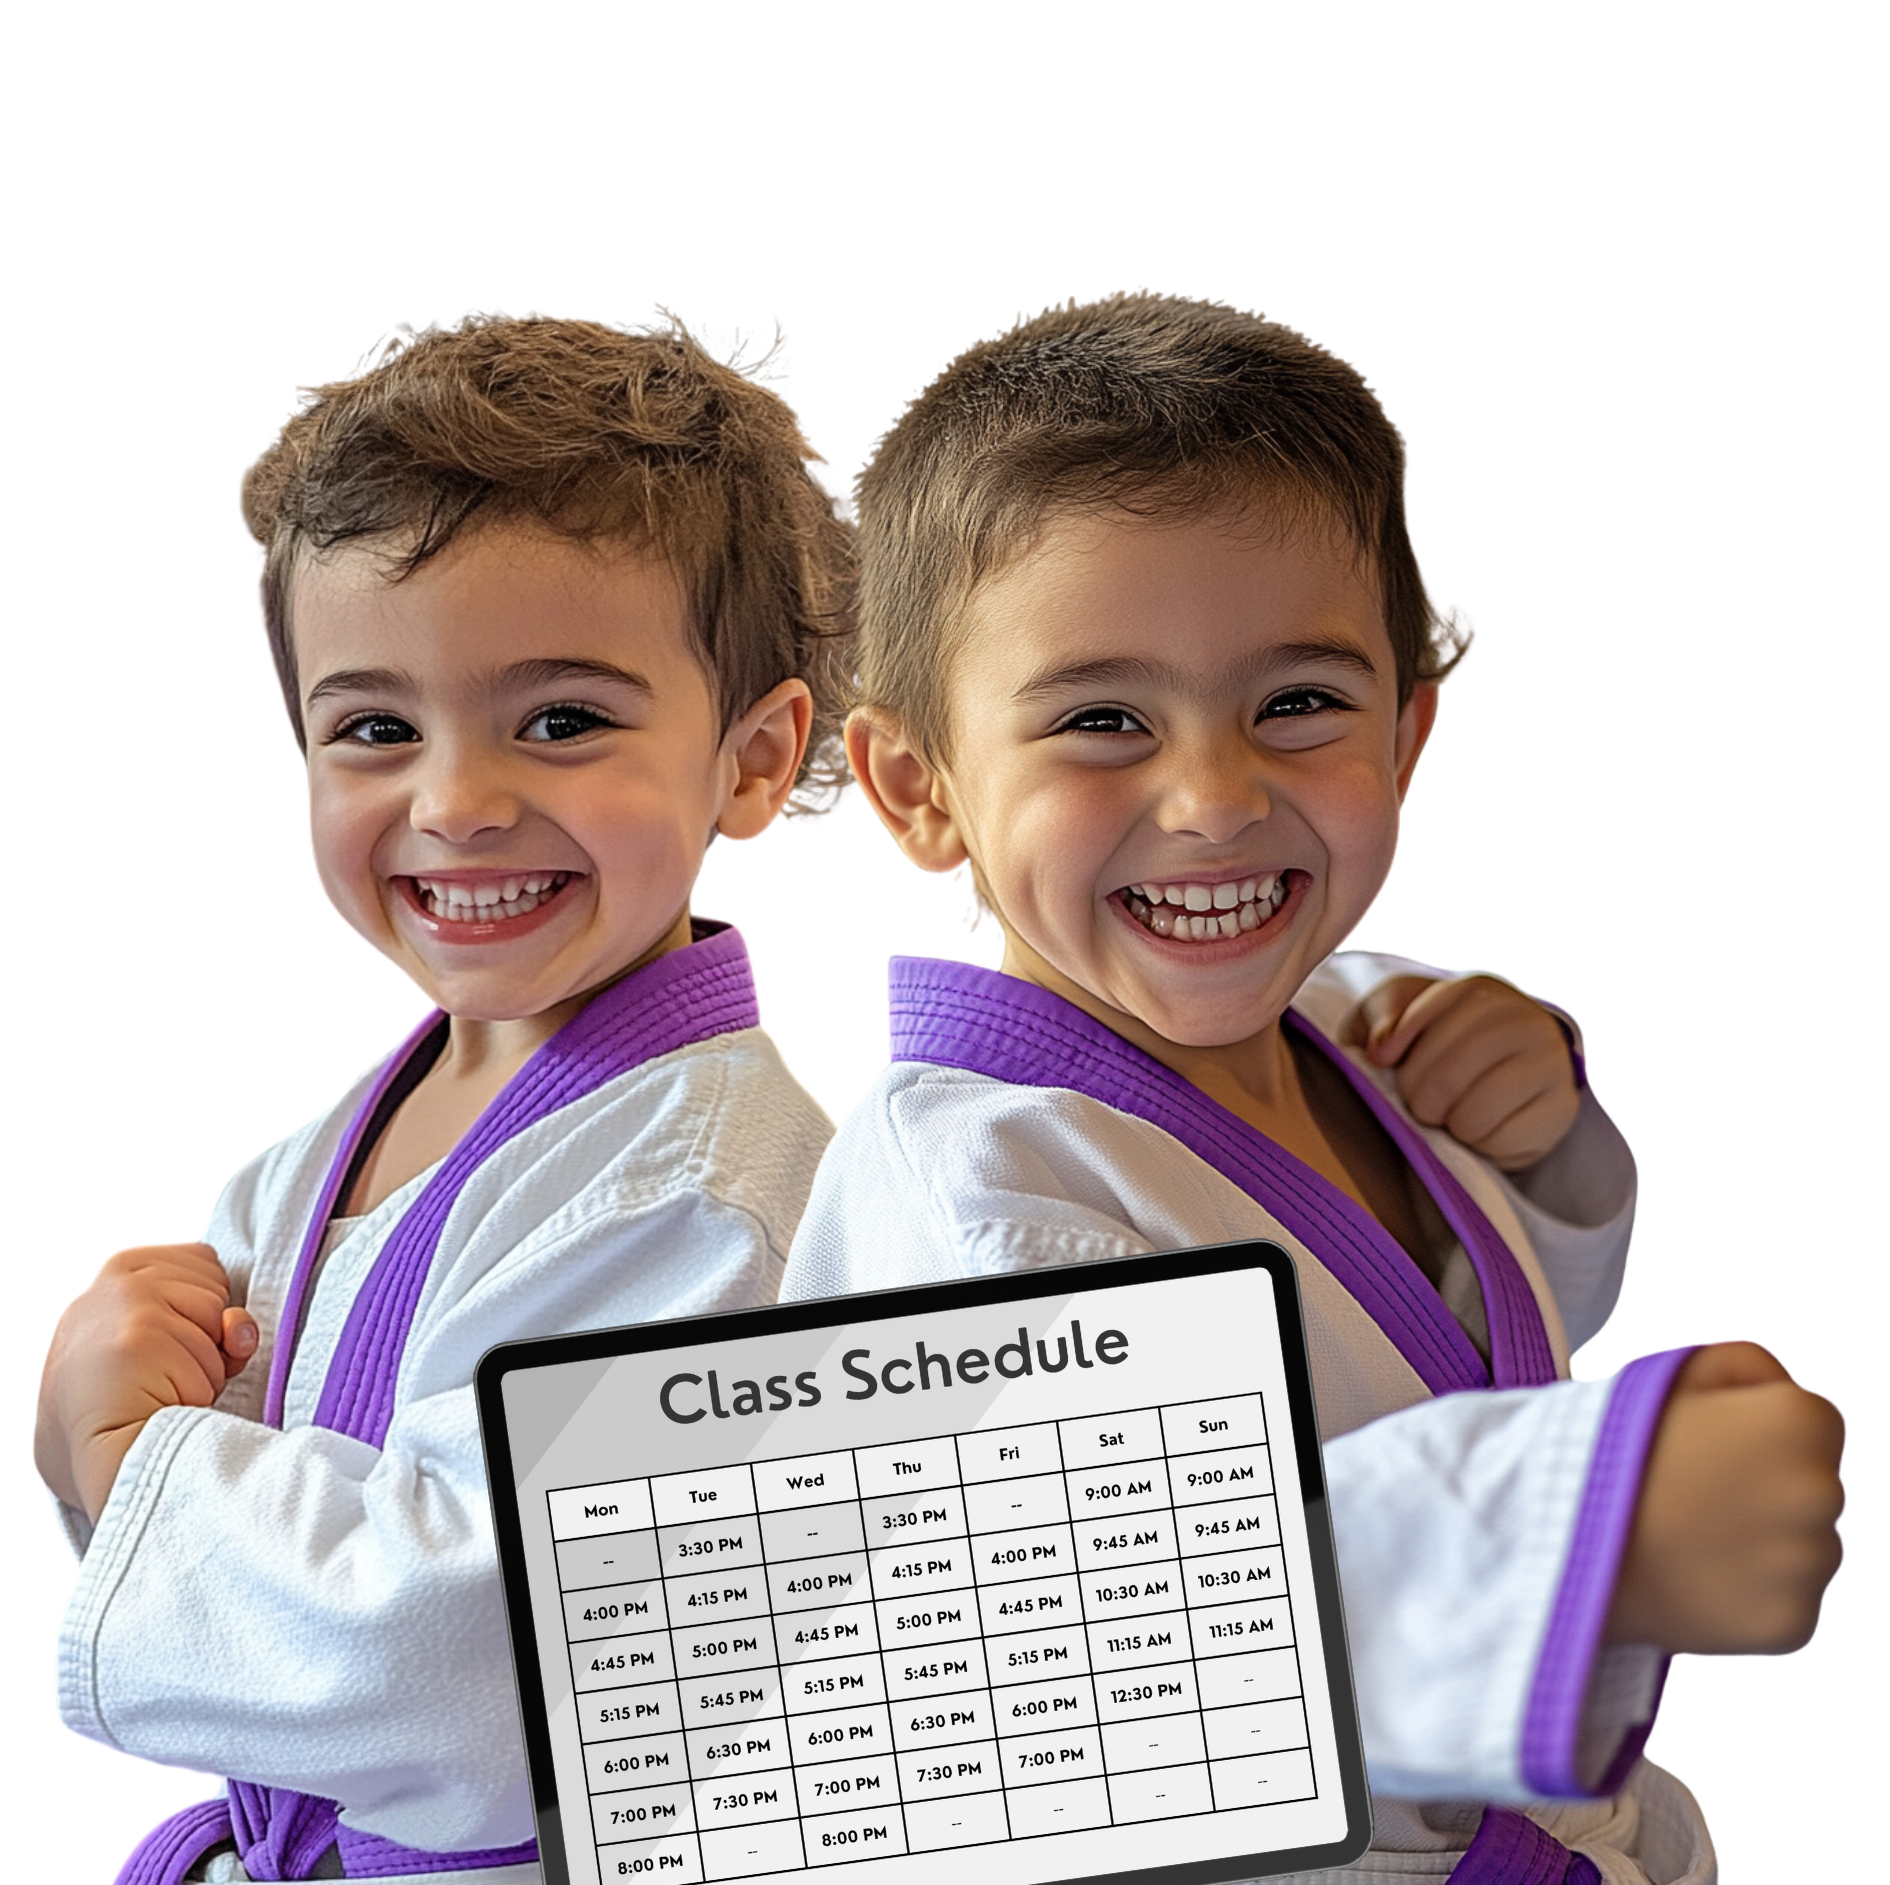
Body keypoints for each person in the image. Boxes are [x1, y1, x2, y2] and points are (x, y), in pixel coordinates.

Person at [780, 292, 1845, 1884]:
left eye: (1298, 702)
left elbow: (1458, 1348)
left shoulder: (1355, 1029)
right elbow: (1092, 1636)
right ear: (919, 788)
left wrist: (1540, 1137)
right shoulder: (966, 1195)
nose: (1213, 797)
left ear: (1406, 732)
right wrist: (1583, 1528)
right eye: (1099, 720)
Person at [35, 307, 852, 1884]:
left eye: (562, 719)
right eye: (375, 729)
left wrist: (122, 1455)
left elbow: (489, 1675)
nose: (458, 801)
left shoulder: (705, 1192)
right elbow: (248, 1605)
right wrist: (129, 1446)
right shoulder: (305, 1165)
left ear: (752, 761)